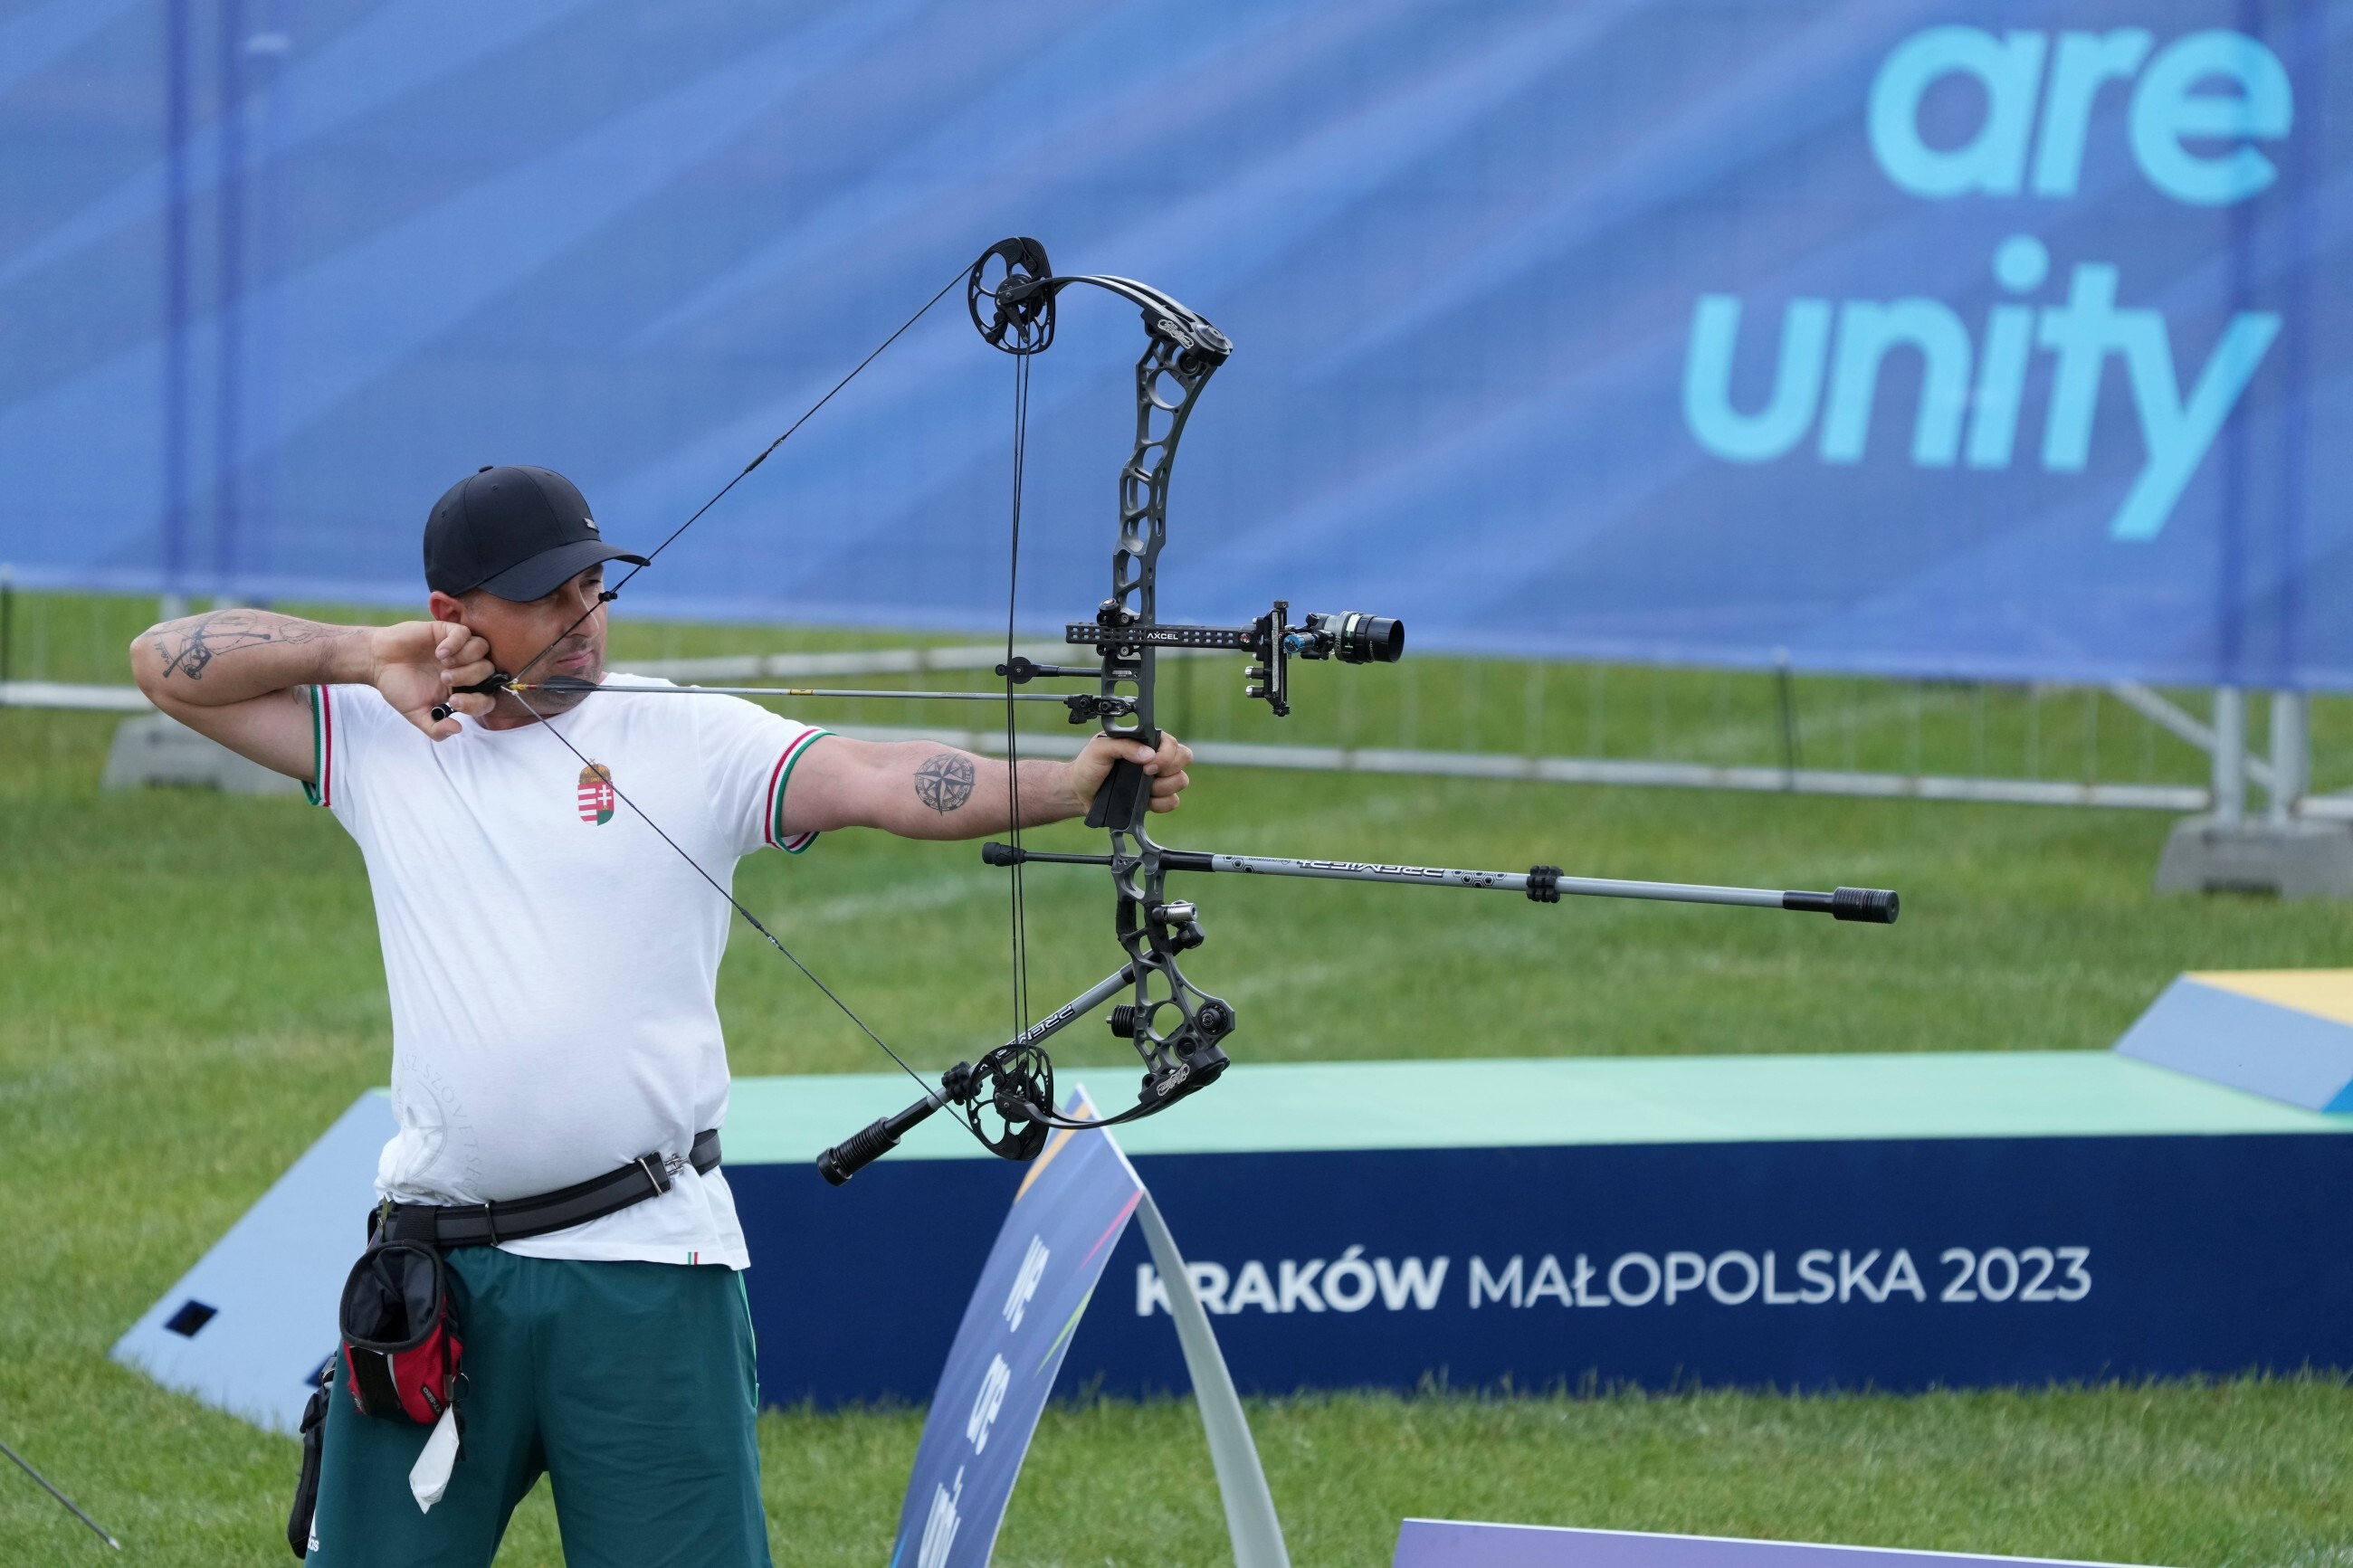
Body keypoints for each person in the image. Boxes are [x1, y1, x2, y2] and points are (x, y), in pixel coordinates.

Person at [127, 463, 1193, 1567]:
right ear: (453, 614)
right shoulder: (383, 731)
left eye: (593, 587)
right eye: (547, 597)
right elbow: (162, 661)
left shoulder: (687, 735)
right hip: (436, 1274)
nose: (584, 618)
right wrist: (363, 654)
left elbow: (876, 774)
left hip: (646, 1264)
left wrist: (1066, 785)